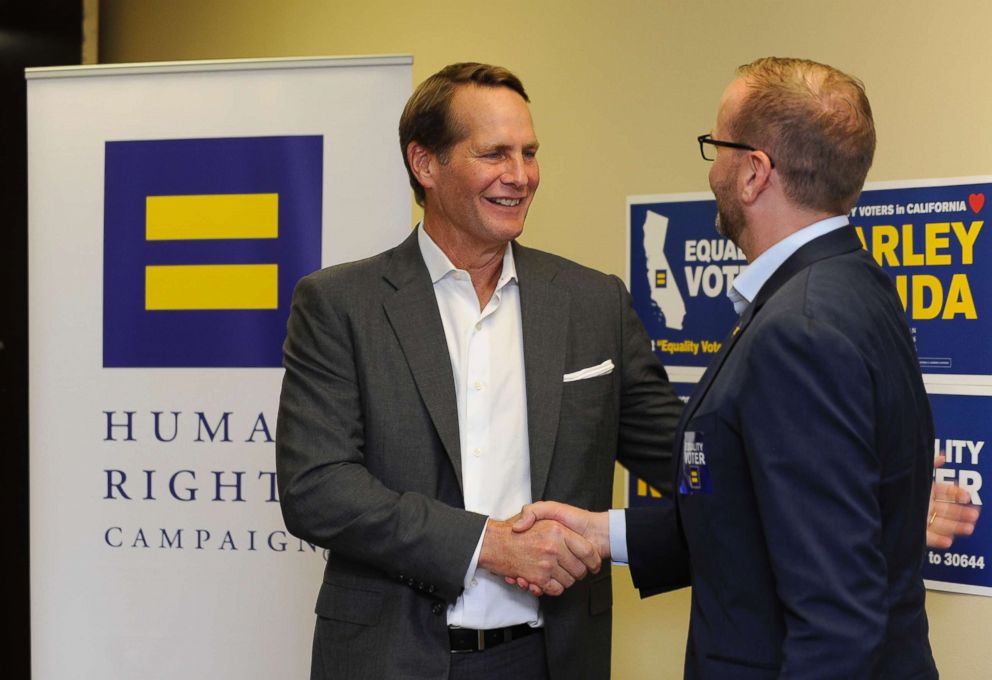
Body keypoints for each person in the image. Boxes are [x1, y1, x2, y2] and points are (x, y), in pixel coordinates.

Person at [513, 57, 966, 678]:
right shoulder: (853, 285)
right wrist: (604, 535)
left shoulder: (797, 332)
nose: (712, 170)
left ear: (754, 173)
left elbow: (836, 619)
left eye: (717, 147)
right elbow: (753, 523)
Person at [275, 62, 682, 680]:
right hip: (393, 659)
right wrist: (487, 545)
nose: (520, 177)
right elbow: (317, 488)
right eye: (494, 154)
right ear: (425, 163)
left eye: (529, 153)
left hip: (551, 657)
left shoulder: (594, 302)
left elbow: (681, 461)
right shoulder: (341, 304)